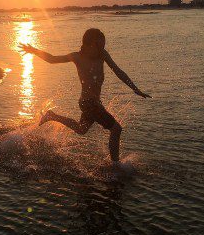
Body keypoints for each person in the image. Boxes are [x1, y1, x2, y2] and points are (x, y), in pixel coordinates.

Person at [19, 28, 151, 164]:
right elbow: (52, 59)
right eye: (99, 45)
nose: (102, 48)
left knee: (81, 129)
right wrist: (34, 51)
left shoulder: (102, 55)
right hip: (88, 103)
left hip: (95, 103)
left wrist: (135, 88)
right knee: (116, 129)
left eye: (103, 45)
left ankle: (52, 116)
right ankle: (115, 165)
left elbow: (118, 71)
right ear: (89, 44)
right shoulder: (77, 57)